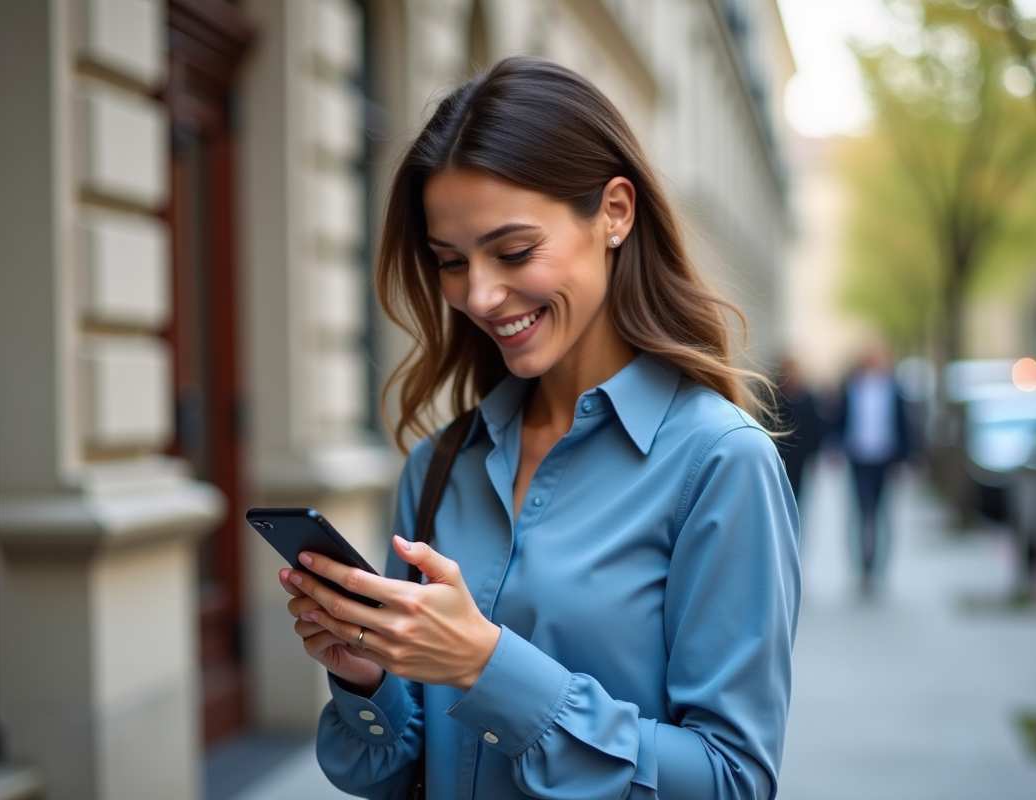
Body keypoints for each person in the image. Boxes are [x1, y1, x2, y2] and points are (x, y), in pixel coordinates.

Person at [277, 56, 801, 800]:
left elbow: (730, 780)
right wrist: (365, 675)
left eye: (514, 251)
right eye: (451, 262)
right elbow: (388, 771)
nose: (481, 295)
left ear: (615, 212)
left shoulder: (720, 463)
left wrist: (487, 669)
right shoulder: (438, 467)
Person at [835, 345, 912, 592]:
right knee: (861, 512)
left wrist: (905, 458)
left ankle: (879, 568)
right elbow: (840, 419)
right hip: (858, 458)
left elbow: (905, 424)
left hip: (885, 458)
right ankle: (862, 568)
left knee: (882, 514)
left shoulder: (894, 389)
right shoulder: (851, 388)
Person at [773, 356, 826, 503]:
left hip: (801, 452)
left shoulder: (807, 397)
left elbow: (815, 426)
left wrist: (815, 453)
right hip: (780, 451)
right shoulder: (775, 395)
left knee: (797, 492)